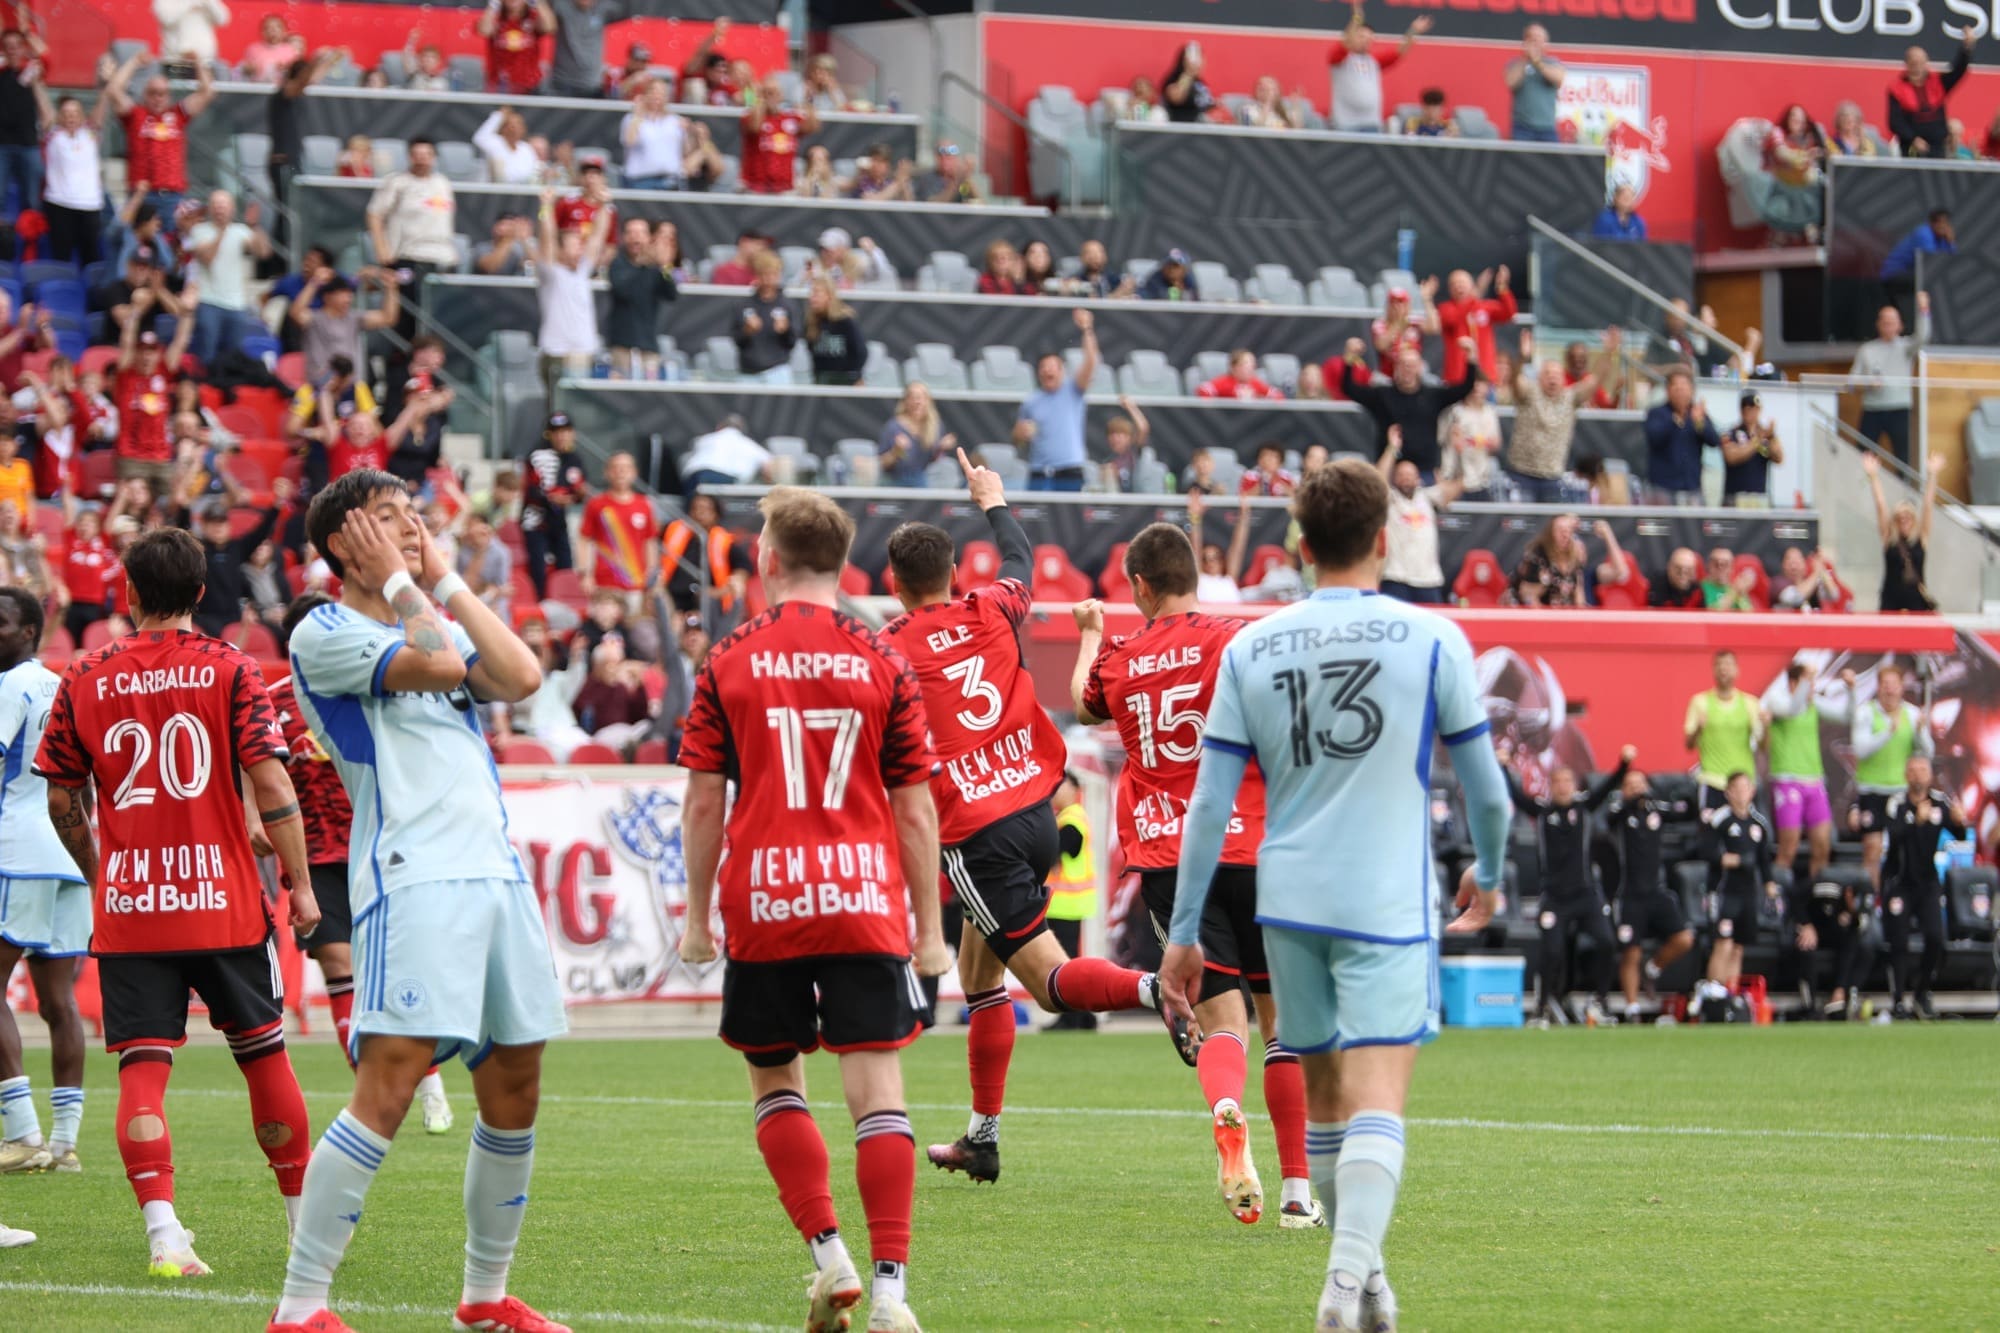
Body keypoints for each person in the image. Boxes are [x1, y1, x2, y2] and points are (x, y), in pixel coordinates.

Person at [1161, 458, 1511, 1332]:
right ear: (1385, 538)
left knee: (1324, 1103)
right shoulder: (1433, 639)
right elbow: (1490, 794)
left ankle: (1371, 1281)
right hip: (1388, 896)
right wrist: (1492, 874)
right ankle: (1340, 1292)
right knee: (1379, 1096)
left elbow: (1208, 804)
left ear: (1302, 546)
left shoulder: (1250, 645)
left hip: (1289, 896)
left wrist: (1181, 930)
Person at [270, 470, 557, 1333]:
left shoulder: (419, 605)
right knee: (389, 1086)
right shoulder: (324, 630)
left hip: (493, 871)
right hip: (414, 873)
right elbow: (438, 663)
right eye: (391, 519)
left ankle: (483, 1295)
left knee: (515, 1084)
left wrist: (445, 578)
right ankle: (301, 1307)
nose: (414, 530)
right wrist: (406, 582)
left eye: (415, 518)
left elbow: (522, 674)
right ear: (343, 543)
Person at [672, 483, 946, 1333]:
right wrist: (931, 930)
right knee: (878, 1090)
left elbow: (703, 802)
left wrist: (694, 917)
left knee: (774, 1078)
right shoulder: (883, 658)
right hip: (862, 897)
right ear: (842, 562)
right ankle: (895, 1294)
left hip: (766, 897)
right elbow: (914, 808)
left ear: (768, 558)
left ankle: (832, 1260)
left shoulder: (728, 657)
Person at [883, 452, 1192, 1186]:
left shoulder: (892, 646)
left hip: (979, 830)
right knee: (978, 973)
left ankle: (1155, 990)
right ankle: (981, 1137)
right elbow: (1020, 555)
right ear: (956, 572)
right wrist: (992, 497)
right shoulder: (988, 607)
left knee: (1048, 982)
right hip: (1037, 809)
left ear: (895, 584)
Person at [32, 528, 317, 1277]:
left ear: (127, 593)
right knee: (262, 1056)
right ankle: (302, 1228)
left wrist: (102, 871)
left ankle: (165, 1234)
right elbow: (275, 784)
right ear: (200, 594)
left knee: (143, 1071)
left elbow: (61, 793)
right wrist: (303, 885)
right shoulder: (232, 667)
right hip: (222, 900)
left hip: (133, 908)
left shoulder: (85, 672)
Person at [1070, 533, 1322, 1230]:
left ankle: (1224, 1109)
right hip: (1254, 844)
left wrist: (1093, 632)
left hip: (1168, 859)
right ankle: (1299, 1191)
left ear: (1141, 587)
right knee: (1283, 1025)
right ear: (1195, 576)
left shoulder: (1121, 659)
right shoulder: (1238, 639)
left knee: (1222, 1021)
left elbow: (1083, 704)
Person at [0, 589, 88, 1175]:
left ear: (31, 629)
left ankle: (23, 1134)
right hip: (67, 853)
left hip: (15, 850)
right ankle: (64, 1144)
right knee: (59, 1002)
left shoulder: (6, 687)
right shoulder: (62, 685)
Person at [1500, 739, 1630, 1025]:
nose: (1563, 787)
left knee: (1606, 942)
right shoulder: (1542, 812)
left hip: (1585, 894)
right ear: (1551, 784)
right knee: (1552, 951)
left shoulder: (1584, 809)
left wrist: (1624, 764)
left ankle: (1600, 1002)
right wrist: (1502, 766)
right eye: (1557, 781)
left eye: (1568, 781)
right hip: (1555, 897)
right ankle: (1543, 1007)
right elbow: (1514, 794)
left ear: (1575, 785)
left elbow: (1608, 787)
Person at [1602, 764, 1699, 1016]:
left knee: (1684, 939)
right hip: (1629, 894)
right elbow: (1608, 818)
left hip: (1656, 891)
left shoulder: (1656, 810)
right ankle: (1632, 1007)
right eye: (1630, 784)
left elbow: (1688, 812)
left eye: (1639, 784)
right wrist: (1629, 800)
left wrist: (1690, 790)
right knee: (1631, 952)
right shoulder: (1620, 813)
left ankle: (1653, 968)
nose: (1636, 789)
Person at [1880, 755, 1963, 1020]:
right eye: (1913, 770)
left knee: (1936, 938)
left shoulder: (1940, 802)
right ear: (1906, 775)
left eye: (1922, 770)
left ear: (1930, 775)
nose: (1917, 775)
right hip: (1899, 882)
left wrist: (1961, 822)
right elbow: (1891, 837)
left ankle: (1922, 992)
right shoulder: (1897, 802)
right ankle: (1898, 1001)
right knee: (1899, 942)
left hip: (1927, 883)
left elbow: (1958, 833)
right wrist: (1915, 820)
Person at [1761, 661, 1854, 883]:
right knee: (1789, 846)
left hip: (1815, 781)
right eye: (1807, 682)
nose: (1811, 687)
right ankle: (1778, 899)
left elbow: (1846, 717)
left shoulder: (1814, 704)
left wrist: (1851, 690)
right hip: (1787, 781)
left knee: (1822, 845)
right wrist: (1805, 683)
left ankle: (1817, 899)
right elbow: (1792, 710)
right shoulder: (1777, 700)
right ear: (1793, 683)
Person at [1339, 337, 1479, 480]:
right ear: (1396, 367)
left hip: (1424, 472)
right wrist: (1349, 357)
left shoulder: (1434, 395)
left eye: (1412, 365)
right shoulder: (1381, 395)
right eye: (1404, 364)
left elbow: (1464, 388)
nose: (1408, 369)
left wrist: (1471, 358)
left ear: (1420, 367)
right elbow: (1349, 388)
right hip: (1390, 471)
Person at [366, 140, 457, 355]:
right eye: (417, 154)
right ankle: (403, 368)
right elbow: (375, 214)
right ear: (409, 156)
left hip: (443, 259)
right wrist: (383, 251)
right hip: (411, 256)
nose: (422, 158)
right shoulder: (398, 182)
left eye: (427, 153)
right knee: (407, 322)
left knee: (440, 322)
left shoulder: (442, 183)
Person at [1850, 660, 1933, 890]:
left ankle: (1898, 899)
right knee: (1872, 848)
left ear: (1901, 687)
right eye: (1885, 684)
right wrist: (1887, 732)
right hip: (1872, 790)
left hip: (1899, 792)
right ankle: (1872, 901)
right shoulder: (1866, 713)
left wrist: (1921, 732)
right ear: (1878, 687)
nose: (1890, 689)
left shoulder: (1912, 713)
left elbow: (1927, 751)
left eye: (1894, 684)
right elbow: (1860, 749)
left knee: (1904, 847)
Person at [104, 51, 217, 217]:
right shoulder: (135, 115)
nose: (158, 98)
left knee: (169, 241)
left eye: (162, 93)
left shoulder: (178, 114)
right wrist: (134, 62)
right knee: (138, 242)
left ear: (169, 97)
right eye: (152, 93)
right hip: (141, 195)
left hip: (172, 196)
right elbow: (113, 90)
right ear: (144, 95)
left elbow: (207, 92)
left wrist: (197, 63)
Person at [1700, 771, 1775, 990]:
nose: (1742, 793)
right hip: (1724, 891)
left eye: (1746, 788)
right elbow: (1706, 851)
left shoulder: (1758, 823)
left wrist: (1769, 885)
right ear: (1728, 793)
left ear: (1752, 791)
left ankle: (1730, 994)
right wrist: (1734, 860)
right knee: (1723, 942)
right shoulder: (1719, 820)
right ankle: (1714, 992)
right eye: (1737, 789)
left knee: (1739, 946)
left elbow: (1763, 860)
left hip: (1748, 892)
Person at [115, 297, 197, 495]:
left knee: (170, 507)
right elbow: (126, 341)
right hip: (131, 457)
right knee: (134, 506)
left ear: (158, 354)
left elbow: (180, 342)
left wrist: (187, 313)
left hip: (160, 456)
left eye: (151, 352)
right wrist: (135, 311)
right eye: (142, 351)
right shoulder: (126, 376)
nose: (146, 356)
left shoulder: (163, 373)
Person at [185, 191, 274, 367]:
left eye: (224, 205)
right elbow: (208, 258)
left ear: (232, 209)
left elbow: (263, 252)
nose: (220, 210)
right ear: (209, 209)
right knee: (207, 355)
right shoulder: (199, 230)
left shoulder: (241, 230)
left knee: (234, 357)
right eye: (216, 205)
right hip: (208, 302)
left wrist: (255, 227)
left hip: (237, 305)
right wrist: (222, 231)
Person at [1014, 308, 1098, 491]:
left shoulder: (1073, 390)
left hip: (1069, 469)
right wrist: (1020, 433)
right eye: (1043, 367)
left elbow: (1091, 362)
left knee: (1069, 517)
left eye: (1052, 366)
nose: (1047, 370)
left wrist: (1086, 329)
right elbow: (1018, 437)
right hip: (1039, 470)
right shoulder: (1031, 401)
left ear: (1062, 370)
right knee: (1034, 516)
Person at [1506, 331, 1595, 502]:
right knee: (1521, 524)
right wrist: (1522, 359)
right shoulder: (1529, 392)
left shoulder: (1569, 398)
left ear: (1563, 379)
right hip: (1521, 473)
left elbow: (1594, 381)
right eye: (1547, 373)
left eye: (1556, 374)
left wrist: (1610, 355)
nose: (1552, 377)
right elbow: (1515, 381)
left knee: (1553, 524)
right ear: (1539, 378)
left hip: (1552, 477)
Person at [1376, 425, 1462, 603]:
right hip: (1396, 578)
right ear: (1394, 478)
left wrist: (1456, 450)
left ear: (1418, 479)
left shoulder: (1427, 497)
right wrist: (1392, 448)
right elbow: (1377, 479)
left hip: (1428, 579)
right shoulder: (1390, 500)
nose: (1406, 478)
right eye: (1401, 474)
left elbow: (1457, 487)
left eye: (1410, 474)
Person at [36, 83, 110, 265]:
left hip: (89, 205)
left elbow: (101, 108)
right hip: (59, 203)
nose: (71, 117)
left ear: (82, 116)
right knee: (61, 257)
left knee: (91, 258)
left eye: (75, 113)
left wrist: (106, 86)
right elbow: (44, 106)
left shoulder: (90, 135)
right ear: (59, 116)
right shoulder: (53, 135)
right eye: (66, 113)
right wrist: (36, 82)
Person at [1327, 4, 1430, 133]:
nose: (1366, 41)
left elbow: (1399, 53)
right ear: (1353, 37)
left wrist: (1413, 31)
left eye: (1370, 38)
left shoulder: (1374, 61)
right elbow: (1346, 42)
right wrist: (1357, 17)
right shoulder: (1340, 59)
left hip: (1372, 124)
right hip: (1345, 125)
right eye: (1361, 37)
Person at [291, 268, 399, 390]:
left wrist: (391, 288)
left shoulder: (354, 318)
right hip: (320, 387)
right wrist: (314, 283)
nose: (348, 298)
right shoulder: (314, 318)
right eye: (343, 293)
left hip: (352, 386)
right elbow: (296, 313)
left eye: (350, 293)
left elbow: (388, 318)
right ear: (327, 296)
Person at [1849, 299, 1927, 469]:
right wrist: (1869, 384)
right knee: (1863, 453)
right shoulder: (1866, 350)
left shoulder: (1906, 347)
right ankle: (1859, 491)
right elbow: (1852, 382)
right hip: (1872, 409)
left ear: (1900, 325)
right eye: (1885, 322)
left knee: (1903, 455)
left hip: (1900, 408)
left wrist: (1924, 310)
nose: (1888, 326)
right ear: (1878, 324)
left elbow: (1923, 336)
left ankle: (1905, 492)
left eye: (1892, 322)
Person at [521, 412, 587, 601]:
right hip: (536, 522)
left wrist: (577, 495)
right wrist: (551, 498)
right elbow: (531, 490)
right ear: (549, 434)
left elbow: (578, 489)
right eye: (557, 432)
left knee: (566, 564)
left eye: (565, 431)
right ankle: (540, 603)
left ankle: (565, 602)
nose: (561, 436)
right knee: (538, 568)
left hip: (559, 521)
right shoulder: (537, 456)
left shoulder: (574, 459)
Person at [1865, 451, 1940, 612]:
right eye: (1900, 518)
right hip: (1891, 599)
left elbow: (1928, 505)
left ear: (1914, 520)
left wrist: (1932, 474)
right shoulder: (1889, 538)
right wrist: (1873, 476)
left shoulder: (1921, 538)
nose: (1904, 521)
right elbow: (1881, 505)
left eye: (1908, 517)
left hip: (1916, 601)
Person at [1686, 650, 1759, 814]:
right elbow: (1688, 744)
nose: (1723, 669)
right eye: (1719, 665)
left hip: (1742, 784)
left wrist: (1766, 727)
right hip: (1712, 780)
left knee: (1744, 836)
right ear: (1713, 670)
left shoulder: (1750, 703)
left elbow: (1762, 744)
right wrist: (1699, 728)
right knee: (1709, 835)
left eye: (1728, 664)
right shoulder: (1700, 702)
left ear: (1737, 669)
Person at [578, 451, 656, 605]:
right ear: (607, 473)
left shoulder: (644, 505)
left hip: (635, 581)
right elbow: (584, 540)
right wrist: (585, 574)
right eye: (616, 468)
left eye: (626, 468)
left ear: (634, 473)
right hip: (604, 583)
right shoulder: (597, 504)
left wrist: (652, 573)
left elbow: (650, 542)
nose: (620, 473)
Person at [605, 218, 679, 379]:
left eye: (640, 233)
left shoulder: (656, 268)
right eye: (630, 233)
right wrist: (644, 265)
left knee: (649, 392)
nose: (635, 237)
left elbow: (671, 294)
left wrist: (665, 266)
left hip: (648, 344)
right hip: (621, 345)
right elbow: (623, 290)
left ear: (649, 238)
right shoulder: (618, 264)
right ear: (623, 238)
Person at [660, 490, 750, 620]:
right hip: (674, 598)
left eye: (706, 509)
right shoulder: (673, 531)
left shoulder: (724, 541)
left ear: (716, 515)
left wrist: (721, 590)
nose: (699, 513)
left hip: (707, 602)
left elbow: (743, 566)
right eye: (695, 508)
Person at [1887, 32, 1975, 157]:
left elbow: (1958, 71)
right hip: (1912, 148)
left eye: (1921, 63)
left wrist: (1966, 48)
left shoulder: (1937, 82)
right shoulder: (1896, 89)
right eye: (1914, 63)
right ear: (1907, 65)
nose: (1918, 68)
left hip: (1938, 146)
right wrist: (1913, 139)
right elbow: (1895, 122)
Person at [1641, 370, 1720, 506]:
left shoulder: (1697, 414)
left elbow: (1713, 441)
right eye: (1676, 388)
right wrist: (1674, 422)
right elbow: (1654, 438)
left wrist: (1699, 423)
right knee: (1662, 526)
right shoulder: (1657, 413)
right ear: (1668, 391)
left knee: (1695, 526)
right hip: (1662, 487)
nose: (1680, 392)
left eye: (1684, 387)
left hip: (1691, 487)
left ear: (1692, 391)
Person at [1432, 267, 1515, 385]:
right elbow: (1455, 317)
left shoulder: (1484, 307)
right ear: (1450, 290)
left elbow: (1509, 313)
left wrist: (1502, 287)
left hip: (1485, 376)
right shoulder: (1446, 309)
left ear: (1471, 285)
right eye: (1454, 284)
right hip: (1457, 378)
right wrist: (1476, 294)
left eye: (1462, 283)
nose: (1458, 286)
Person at [742, 73, 819, 195]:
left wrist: (809, 100)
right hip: (756, 186)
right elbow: (754, 127)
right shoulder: (751, 117)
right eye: (767, 92)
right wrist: (758, 99)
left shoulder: (790, 118)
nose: (770, 97)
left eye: (774, 92)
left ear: (781, 95)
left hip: (784, 187)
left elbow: (812, 127)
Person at [734, 252, 798, 385]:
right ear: (756, 276)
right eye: (764, 274)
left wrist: (785, 330)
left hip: (778, 371)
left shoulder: (788, 305)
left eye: (773, 274)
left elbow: (792, 342)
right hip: (749, 372)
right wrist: (747, 331)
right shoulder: (743, 305)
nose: (768, 279)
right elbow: (737, 340)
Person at [547, 0, 629, 99]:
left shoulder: (604, 8)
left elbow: (627, 8)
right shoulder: (562, 6)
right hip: (563, 83)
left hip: (593, 85)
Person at [879, 382, 956, 487]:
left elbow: (933, 461)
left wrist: (941, 448)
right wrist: (896, 451)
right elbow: (882, 464)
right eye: (913, 397)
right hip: (896, 480)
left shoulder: (935, 425)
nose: (917, 402)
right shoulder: (893, 426)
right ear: (905, 401)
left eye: (921, 398)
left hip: (924, 479)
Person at [1439, 371, 1500, 501]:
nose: (1477, 387)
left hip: (1482, 481)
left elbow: (1495, 445)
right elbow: (1441, 440)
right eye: (1474, 383)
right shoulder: (1454, 411)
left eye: (1481, 383)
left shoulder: (1490, 412)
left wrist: (1494, 445)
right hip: (1456, 480)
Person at [619, 76, 686, 190]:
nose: (657, 96)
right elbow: (628, 141)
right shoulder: (631, 118)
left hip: (670, 181)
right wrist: (638, 115)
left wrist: (692, 133)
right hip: (639, 181)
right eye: (653, 91)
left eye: (662, 92)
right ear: (645, 95)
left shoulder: (676, 121)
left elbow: (685, 151)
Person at [679, 416, 772, 495]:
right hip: (725, 480)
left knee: (693, 511)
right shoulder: (749, 444)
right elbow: (770, 466)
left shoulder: (704, 439)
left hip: (695, 476)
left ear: (719, 427)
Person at [1721, 390, 1783, 508]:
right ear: (1742, 410)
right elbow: (1731, 457)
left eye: (1756, 409)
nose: (1753, 413)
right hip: (1734, 498)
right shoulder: (1731, 433)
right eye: (1749, 409)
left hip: (1758, 499)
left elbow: (1779, 458)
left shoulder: (1765, 435)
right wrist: (1756, 441)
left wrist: (1771, 438)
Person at [479, 0, 555, 95]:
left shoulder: (533, 17)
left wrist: (539, 2)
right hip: (500, 85)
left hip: (530, 86)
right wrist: (494, 4)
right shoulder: (496, 18)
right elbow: (484, 30)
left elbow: (550, 27)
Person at [1504, 24, 1564, 141]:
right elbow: (1511, 82)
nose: (1535, 43)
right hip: (1522, 128)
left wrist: (1537, 62)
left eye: (1539, 39)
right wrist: (1526, 59)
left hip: (1547, 128)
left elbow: (1558, 79)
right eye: (1532, 39)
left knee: (1552, 159)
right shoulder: (1515, 64)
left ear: (1545, 43)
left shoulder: (1553, 63)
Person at [805, 277, 867, 386]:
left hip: (846, 382)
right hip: (822, 381)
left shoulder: (845, 321)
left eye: (817, 294)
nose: (812, 298)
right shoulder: (812, 323)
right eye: (811, 294)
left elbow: (860, 352)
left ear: (829, 296)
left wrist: (855, 377)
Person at [1879, 209, 1955, 284]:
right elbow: (1932, 263)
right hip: (1894, 273)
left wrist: (1950, 242)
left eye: (1947, 223)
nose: (1944, 227)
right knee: (1929, 280)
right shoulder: (1924, 234)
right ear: (1932, 223)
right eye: (1941, 223)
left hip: (1912, 273)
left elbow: (1950, 261)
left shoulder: (1942, 238)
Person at [1774, 546, 1853, 613]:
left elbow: (1833, 595)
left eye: (1797, 562)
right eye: (1790, 562)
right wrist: (1816, 573)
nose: (1793, 567)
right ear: (1783, 565)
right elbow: (1795, 598)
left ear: (1804, 564)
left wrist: (1821, 569)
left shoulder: (1811, 582)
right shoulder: (1778, 583)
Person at [1099, 397, 1151, 492]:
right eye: (1112, 434)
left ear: (1130, 438)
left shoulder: (1135, 452)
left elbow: (1143, 428)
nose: (1115, 438)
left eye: (1120, 434)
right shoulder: (1108, 460)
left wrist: (1130, 406)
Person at [1196, 349, 1284, 401]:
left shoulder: (1255, 383)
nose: (1251, 368)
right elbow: (1203, 390)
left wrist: (1260, 399)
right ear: (1234, 367)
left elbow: (1277, 395)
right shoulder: (1224, 382)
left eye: (1253, 365)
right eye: (1246, 364)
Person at [1161, 43, 1218, 123]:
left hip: (1204, 127)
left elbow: (1207, 104)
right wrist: (1188, 73)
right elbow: (1176, 98)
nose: (1198, 63)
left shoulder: (1199, 83)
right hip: (1185, 128)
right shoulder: (1174, 80)